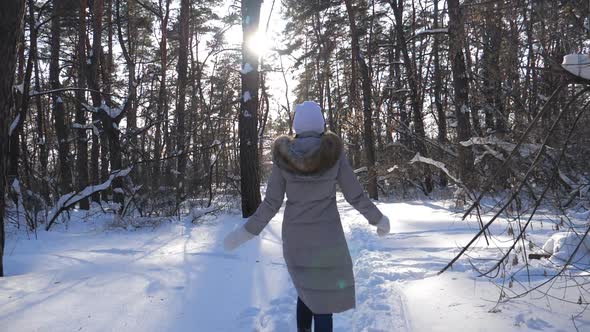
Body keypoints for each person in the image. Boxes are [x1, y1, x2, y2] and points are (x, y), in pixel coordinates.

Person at [223, 101, 390, 332]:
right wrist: (378, 219)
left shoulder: (284, 157)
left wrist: (246, 232)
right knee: (322, 300)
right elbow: (355, 195)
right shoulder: (334, 153)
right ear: (321, 124)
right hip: (327, 239)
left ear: (297, 126)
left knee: (306, 289)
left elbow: (271, 203)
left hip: (296, 239)